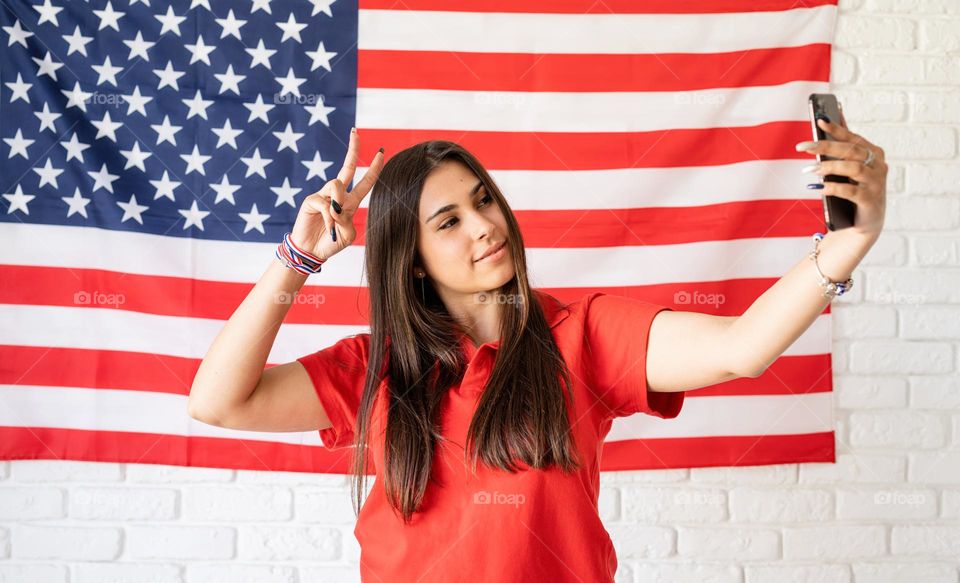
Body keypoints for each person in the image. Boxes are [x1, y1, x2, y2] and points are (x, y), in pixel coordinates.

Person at [189, 118, 887, 582]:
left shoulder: (582, 336)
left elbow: (742, 347)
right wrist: (298, 256)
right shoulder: (377, 365)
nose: (486, 225)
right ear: (414, 260)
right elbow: (219, 401)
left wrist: (845, 244)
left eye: (484, 199)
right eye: (450, 220)